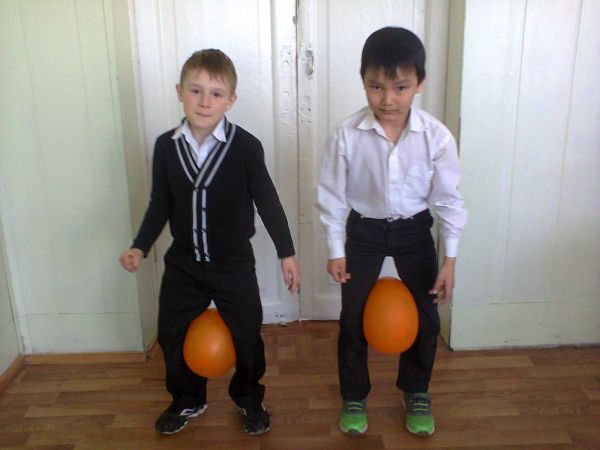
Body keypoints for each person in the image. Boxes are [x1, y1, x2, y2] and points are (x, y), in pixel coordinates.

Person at [119, 49, 300, 436]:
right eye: (195, 90)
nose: (204, 101)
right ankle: (188, 398)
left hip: (233, 264)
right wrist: (140, 246)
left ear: (230, 100)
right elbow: (160, 204)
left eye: (216, 94)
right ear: (179, 92)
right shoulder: (166, 147)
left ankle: (249, 397)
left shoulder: (246, 147)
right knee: (171, 331)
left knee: (246, 335)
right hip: (184, 264)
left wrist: (287, 253)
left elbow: (268, 202)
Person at [317, 27, 467, 437]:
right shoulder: (346, 135)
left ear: (419, 83)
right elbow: (331, 196)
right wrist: (335, 249)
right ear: (363, 81)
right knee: (352, 318)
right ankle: (353, 395)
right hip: (363, 232)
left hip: (414, 232)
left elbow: (448, 199)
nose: (387, 99)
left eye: (400, 87)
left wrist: (450, 259)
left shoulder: (436, 137)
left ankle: (416, 390)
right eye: (376, 86)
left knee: (427, 318)